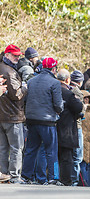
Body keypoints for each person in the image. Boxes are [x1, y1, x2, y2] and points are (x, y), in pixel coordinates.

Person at [22, 57, 63, 185]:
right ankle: (52, 177)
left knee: (31, 149)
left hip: (31, 119)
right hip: (47, 121)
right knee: (51, 150)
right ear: (54, 69)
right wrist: (61, 107)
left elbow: (25, 100)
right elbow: (58, 105)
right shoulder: (55, 83)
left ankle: (25, 176)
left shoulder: (31, 81)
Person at [0, 45, 28, 183]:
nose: (17, 58)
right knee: (17, 148)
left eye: (18, 55)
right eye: (14, 55)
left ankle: (3, 174)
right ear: (7, 55)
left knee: (3, 148)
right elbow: (16, 95)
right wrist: (24, 87)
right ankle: (14, 176)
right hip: (13, 116)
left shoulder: (2, 67)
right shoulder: (10, 72)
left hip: (2, 116)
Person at [57, 69, 83, 186]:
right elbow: (78, 107)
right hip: (66, 128)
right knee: (66, 157)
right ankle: (66, 180)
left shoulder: (52, 90)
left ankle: (53, 177)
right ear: (68, 80)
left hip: (53, 127)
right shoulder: (68, 93)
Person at [69, 70, 85, 186]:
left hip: (66, 126)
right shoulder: (77, 92)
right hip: (77, 126)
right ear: (80, 81)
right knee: (77, 156)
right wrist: (84, 107)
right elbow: (80, 111)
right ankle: (74, 180)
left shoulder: (65, 89)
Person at [79, 90, 90, 187]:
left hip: (89, 138)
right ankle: (83, 183)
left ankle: (87, 183)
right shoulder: (81, 109)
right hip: (81, 136)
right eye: (84, 98)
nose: (86, 100)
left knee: (88, 162)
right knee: (81, 161)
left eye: (88, 98)